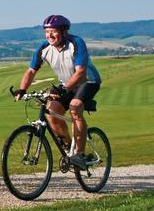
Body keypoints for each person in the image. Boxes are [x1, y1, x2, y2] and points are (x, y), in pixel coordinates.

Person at [15, 14, 101, 169]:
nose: (50, 35)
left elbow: (80, 72)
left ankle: (79, 154)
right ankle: (69, 148)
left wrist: (65, 89)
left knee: (75, 107)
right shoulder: (44, 49)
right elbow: (31, 71)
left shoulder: (76, 43)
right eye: (47, 32)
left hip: (87, 82)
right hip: (66, 84)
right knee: (51, 112)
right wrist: (22, 90)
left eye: (53, 31)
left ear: (63, 31)